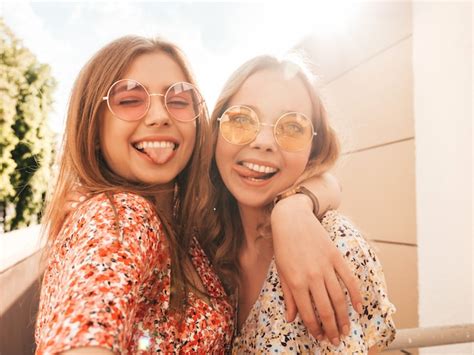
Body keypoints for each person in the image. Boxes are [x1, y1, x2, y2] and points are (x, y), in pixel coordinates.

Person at [35, 36, 360, 354]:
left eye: (178, 100)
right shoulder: (118, 217)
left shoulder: (198, 229)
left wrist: (296, 207)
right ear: (92, 127)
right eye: (131, 100)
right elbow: (83, 333)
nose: (160, 115)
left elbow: (328, 182)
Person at [209, 54, 396, 353]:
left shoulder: (337, 244)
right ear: (215, 131)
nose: (264, 141)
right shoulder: (202, 241)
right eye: (242, 119)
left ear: (314, 148)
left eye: (292, 127)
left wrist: (292, 207)